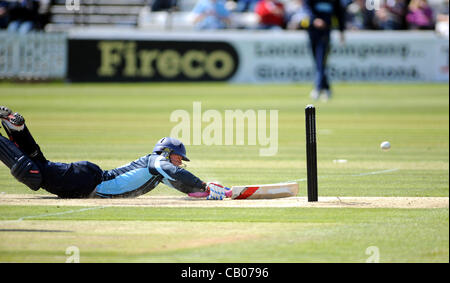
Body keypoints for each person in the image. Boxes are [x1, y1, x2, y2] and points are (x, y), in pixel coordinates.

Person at [0, 106, 229, 200]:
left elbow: (182, 185)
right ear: (167, 152)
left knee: (40, 165)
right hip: (89, 180)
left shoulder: (158, 172)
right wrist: (204, 186)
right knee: (32, 172)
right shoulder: (157, 161)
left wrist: (207, 192)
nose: (180, 162)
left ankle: (18, 130)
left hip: (87, 180)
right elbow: (174, 171)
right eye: (179, 156)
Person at [303, 0, 346, 101]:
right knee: (317, 61)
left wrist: (341, 31)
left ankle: (317, 89)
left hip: (325, 32)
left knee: (321, 61)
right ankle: (326, 88)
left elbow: (339, 14)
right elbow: (306, 9)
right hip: (312, 31)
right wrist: (314, 19)